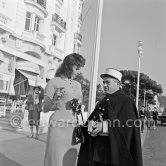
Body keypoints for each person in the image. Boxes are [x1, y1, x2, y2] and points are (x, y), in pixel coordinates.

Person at [77, 68, 143, 166]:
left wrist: (103, 126)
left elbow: (128, 127)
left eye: (107, 82)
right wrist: (90, 125)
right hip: (97, 153)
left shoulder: (126, 102)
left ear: (118, 83)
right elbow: (92, 120)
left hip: (115, 155)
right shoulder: (102, 102)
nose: (104, 85)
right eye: (103, 82)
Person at [43, 53, 85, 166]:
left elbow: (79, 106)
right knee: (55, 160)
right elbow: (45, 108)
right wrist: (56, 98)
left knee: (70, 160)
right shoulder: (53, 82)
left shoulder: (78, 85)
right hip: (58, 126)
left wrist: (78, 105)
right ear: (68, 66)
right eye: (77, 68)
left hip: (73, 128)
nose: (79, 71)